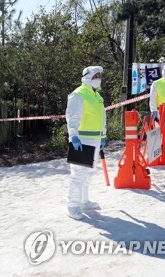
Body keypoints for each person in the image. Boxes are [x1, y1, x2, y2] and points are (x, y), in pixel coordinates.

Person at [65, 66, 107, 220]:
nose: (99, 78)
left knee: (88, 173)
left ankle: (84, 201)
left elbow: (102, 117)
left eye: (100, 75)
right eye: (96, 75)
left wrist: (103, 134)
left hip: (95, 139)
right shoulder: (79, 95)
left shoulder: (97, 96)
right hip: (82, 140)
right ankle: (72, 205)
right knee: (78, 174)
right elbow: (72, 117)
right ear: (87, 77)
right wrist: (73, 137)